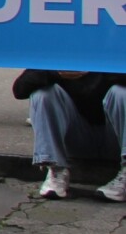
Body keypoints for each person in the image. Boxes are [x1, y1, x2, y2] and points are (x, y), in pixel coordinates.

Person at [13, 71, 126, 201]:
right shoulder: (63, 56)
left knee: (121, 92)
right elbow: (19, 89)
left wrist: (95, 71)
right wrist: (56, 73)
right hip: (77, 138)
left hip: (118, 140)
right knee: (43, 94)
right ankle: (57, 170)